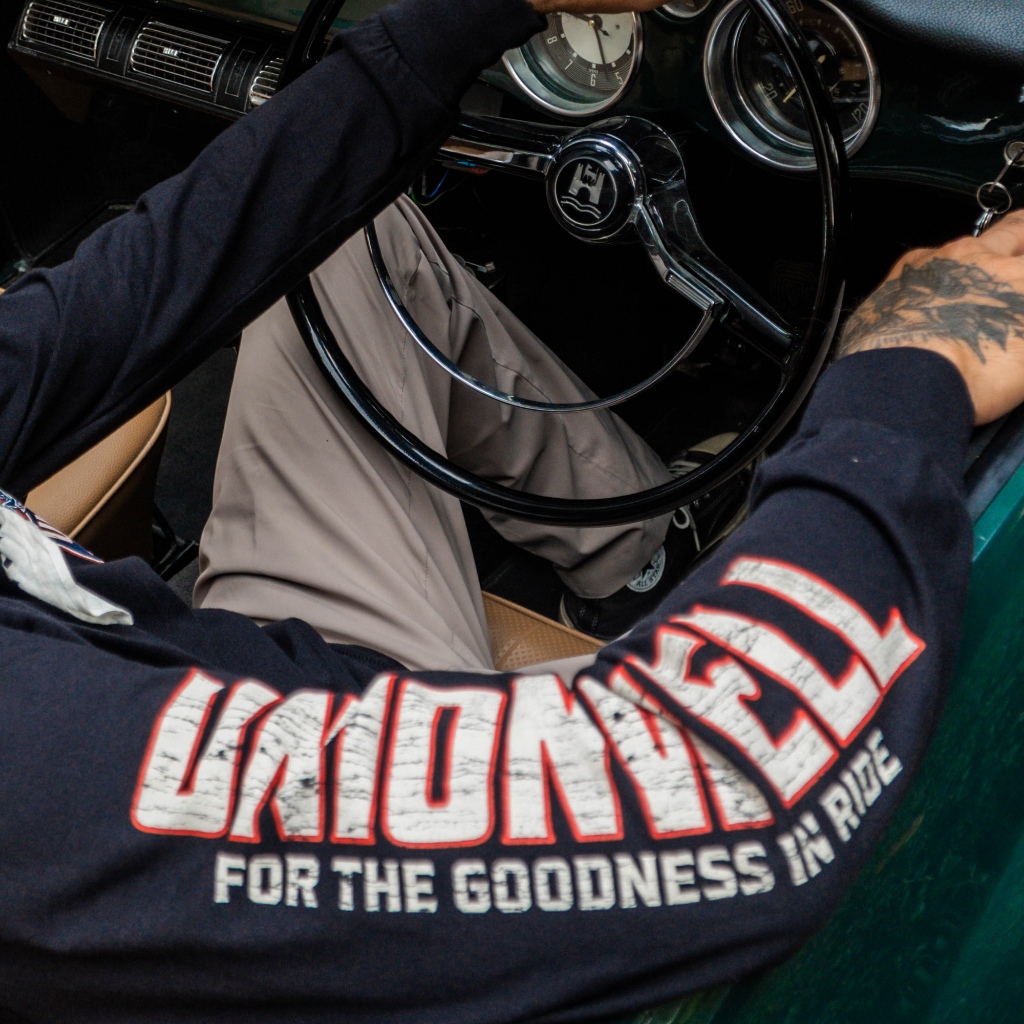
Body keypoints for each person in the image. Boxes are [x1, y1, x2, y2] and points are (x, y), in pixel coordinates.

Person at [0, 0, 1022, 1017]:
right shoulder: (38, 775)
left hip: (183, 668)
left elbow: (161, 270)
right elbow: (732, 786)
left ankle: (636, 561)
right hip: (307, 828)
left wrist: (484, 12)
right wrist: (902, 376)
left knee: (343, 251)